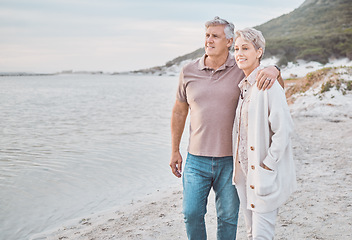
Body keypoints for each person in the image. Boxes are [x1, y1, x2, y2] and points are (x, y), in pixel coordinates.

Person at [169, 17, 283, 240]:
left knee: (228, 218)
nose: (209, 40)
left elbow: (273, 88)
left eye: (215, 36)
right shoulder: (188, 71)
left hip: (231, 161)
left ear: (229, 41)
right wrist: (175, 150)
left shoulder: (240, 67)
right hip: (196, 160)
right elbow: (179, 111)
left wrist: (275, 70)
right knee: (191, 214)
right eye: (207, 35)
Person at [232, 27, 297, 240]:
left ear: (259, 52)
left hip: (261, 172)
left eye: (245, 48)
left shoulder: (267, 84)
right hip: (244, 173)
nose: (239, 53)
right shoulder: (244, 87)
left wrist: (268, 164)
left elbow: (284, 129)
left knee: (261, 235)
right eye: (236, 49)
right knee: (251, 233)